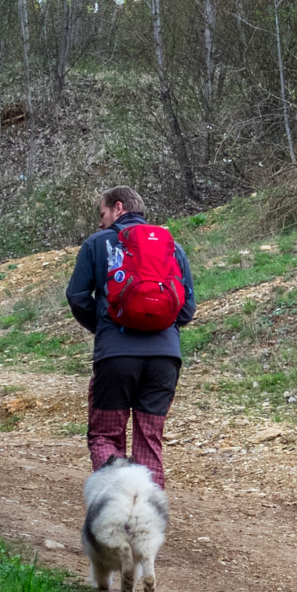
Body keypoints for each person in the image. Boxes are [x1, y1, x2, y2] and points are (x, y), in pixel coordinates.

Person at [66, 185, 197, 488]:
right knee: (149, 443)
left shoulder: (97, 244)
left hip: (116, 357)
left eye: (103, 214)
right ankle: (145, 525)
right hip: (164, 360)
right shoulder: (172, 248)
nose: (100, 223)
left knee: (105, 436)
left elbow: (77, 296)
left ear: (119, 208)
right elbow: (187, 309)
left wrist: (104, 328)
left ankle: (117, 510)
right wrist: (159, 326)